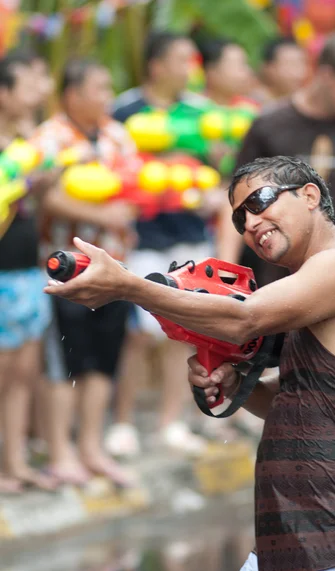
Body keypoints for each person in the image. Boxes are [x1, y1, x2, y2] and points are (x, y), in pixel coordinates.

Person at [44, 154, 335, 571]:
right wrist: (239, 387)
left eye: (261, 201)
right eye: (239, 216)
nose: (250, 222)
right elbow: (302, 406)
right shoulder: (310, 287)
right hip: (283, 549)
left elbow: (243, 320)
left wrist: (128, 286)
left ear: (310, 195)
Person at [226, 33, 335, 322]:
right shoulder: (269, 126)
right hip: (282, 279)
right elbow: (234, 198)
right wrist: (227, 267)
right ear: (326, 74)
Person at [108, 31, 221, 457]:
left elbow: (218, 168)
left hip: (189, 237)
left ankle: (171, 422)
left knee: (184, 332)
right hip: (142, 238)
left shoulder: (200, 113)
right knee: (139, 335)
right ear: (156, 65)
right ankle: (121, 423)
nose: (188, 68)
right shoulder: (124, 110)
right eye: (178, 59)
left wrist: (213, 193)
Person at [32, 58, 136, 486]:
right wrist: (105, 214)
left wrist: (123, 213)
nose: (107, 95)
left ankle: (91, 448)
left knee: (103, 359)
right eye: (99, 87)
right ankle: (60, 451)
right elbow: (45, 199)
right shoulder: (48, 139)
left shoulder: (118, 136)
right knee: (65, 362)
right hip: (65, 268)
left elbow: (134, 189)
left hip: (112, 267)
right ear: (72, 94)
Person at [0, 51, 57, 491]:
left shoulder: (26, 141)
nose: (36, 93)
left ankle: (15, 462)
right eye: (27, 85)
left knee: (22, 373)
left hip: (24, 269)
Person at [251, 37, 309, 106]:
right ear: (270, 68)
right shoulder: (253, 104)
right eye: (291, 65)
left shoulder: (302, 101)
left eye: (302, 63)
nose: (299, 73)